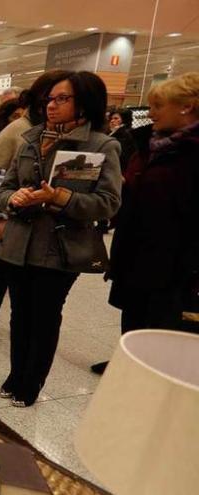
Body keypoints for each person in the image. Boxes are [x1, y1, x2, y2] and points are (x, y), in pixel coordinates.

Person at [0, 71, 122, 407]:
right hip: (19, 243)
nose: (51, 105)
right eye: (50, 99)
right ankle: (15, 373)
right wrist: (14, 198)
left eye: (61, 99)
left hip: (60, 249)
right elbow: (5, 187)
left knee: (45, 317)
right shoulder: (32, 139)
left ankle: (31, 383)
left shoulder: (101, 146)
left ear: (85, 103)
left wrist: (61, 198)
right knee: (19, 313)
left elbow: (109, 203)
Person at [94, 72, 199, 374]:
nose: (150, 113)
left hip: (174, 265)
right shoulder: (147, 145)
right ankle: (128, 361)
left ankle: (146, 374)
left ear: (186, 107)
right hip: (135, 253)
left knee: (164, 327)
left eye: (158, 106)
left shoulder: (191, 154)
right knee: (133, 317)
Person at [0, 73, 65, 348]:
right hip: (11, 221)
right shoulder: (18, 131)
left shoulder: (48, 131)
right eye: (51, 100)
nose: (54, 106)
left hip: (36, 227)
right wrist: (0, 219)